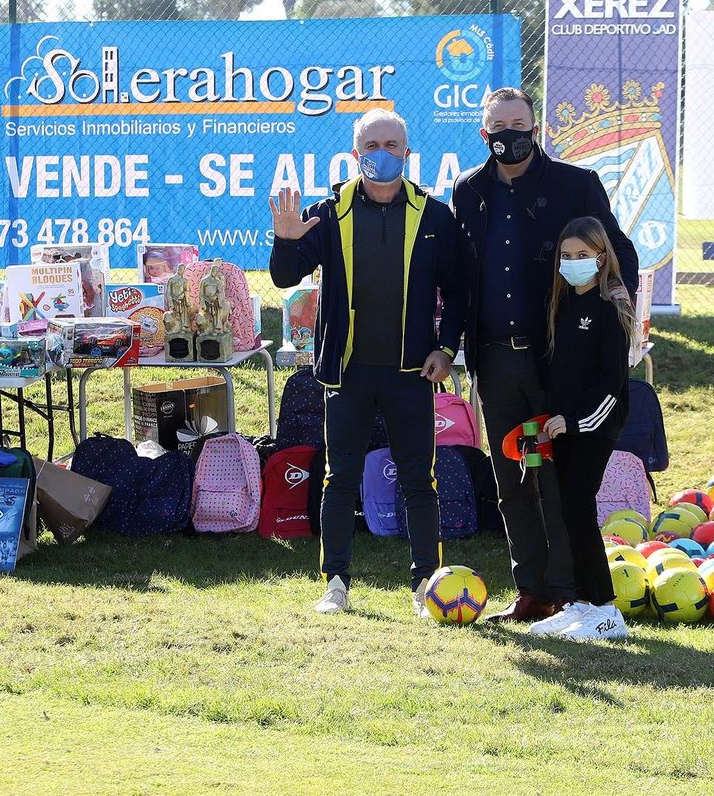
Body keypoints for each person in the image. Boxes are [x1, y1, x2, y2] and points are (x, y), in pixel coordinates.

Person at [452, 86, 639, 624]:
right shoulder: (469, 190)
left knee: (555, 478)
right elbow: (462, 277)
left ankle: (572, 593)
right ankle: (532, 592)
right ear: (483, 134)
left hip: (554, 359)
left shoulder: (575, 184)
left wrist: (619, 302)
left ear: (536, 128)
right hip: (493, 360)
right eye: (499, 127)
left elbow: (617, 251)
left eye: (520, 124)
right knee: (513, 475)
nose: (510, 135)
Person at [269, 107, 465, 616]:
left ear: (407, 153)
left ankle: (426, 585)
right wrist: (286, 238)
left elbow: (461, 292)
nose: (382, 155)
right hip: (348, 373)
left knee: (420, 480)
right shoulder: (328, 211)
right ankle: (335, 582)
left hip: (410, 375)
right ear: (355, 154)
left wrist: (445, 349)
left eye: (392, 146)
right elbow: (286, 277)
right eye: (371, 146)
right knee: (340, 478)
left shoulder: (435, 216)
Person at [525, 217, 635, 640]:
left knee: (579, 509)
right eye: (566, 256)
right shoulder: (563, 304)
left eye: (583, 256)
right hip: (564, 428)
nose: (573, 263)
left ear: (601, 258)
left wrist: (577, 422)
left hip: (593, 428)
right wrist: (554, 420)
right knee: (569, 511)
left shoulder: (611, 308)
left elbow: (611, 383)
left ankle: (605, 609)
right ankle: (583, 606)